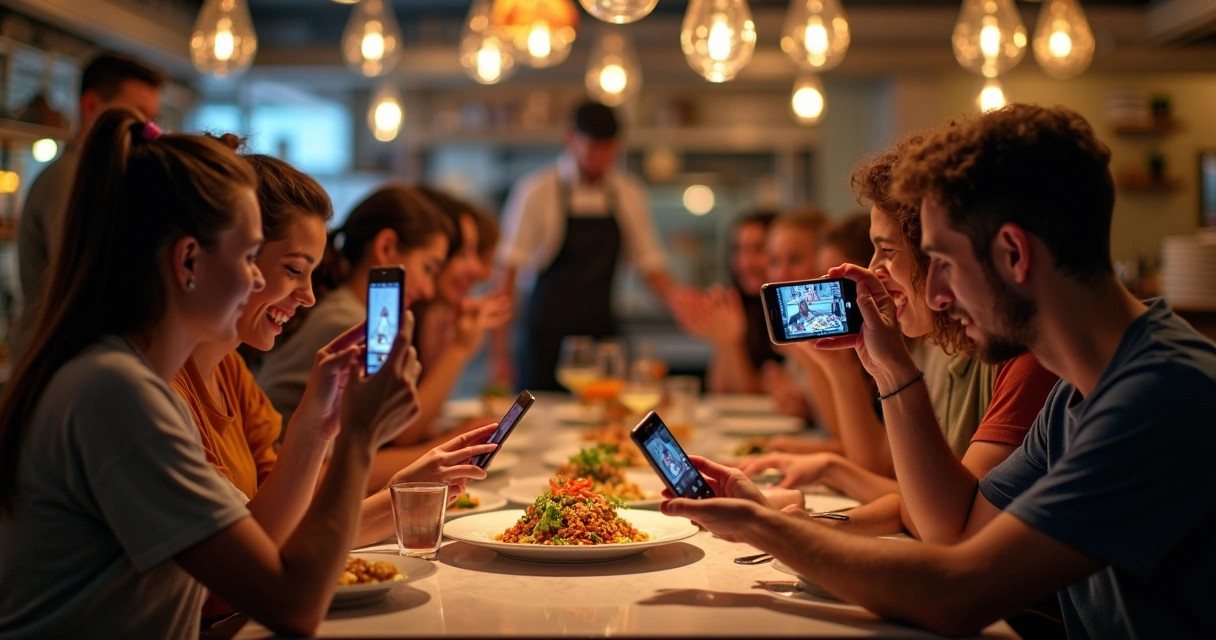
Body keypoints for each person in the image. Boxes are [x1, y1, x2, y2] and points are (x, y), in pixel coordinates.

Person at [664, 105, 1216, 638]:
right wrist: (887, 367)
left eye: (945, 263)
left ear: (1014, 254)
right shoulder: (1075, 393)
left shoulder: (1162, 397)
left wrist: (761, 525)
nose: (938, 295)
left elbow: (958, 592)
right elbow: (953, 529)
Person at [0, 108, 421, 638]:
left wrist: (322, 423)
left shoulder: (125, 381)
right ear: (188, 262)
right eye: (249, 256)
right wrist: (359, 436)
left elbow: (259, 550)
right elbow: (291, 604)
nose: (254, 278)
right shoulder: (113, 392)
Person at [167, 145, 496, 621]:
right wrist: (352, 441)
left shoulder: (231, 373)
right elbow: (263, 591)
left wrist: (403, 489)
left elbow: (285, 528)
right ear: (191, 258)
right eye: (291, 270)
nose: (308, 297)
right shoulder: (139, 393)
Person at [494, 101, 675, 391]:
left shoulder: (628, 192)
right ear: (570, 140)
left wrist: (682, 302)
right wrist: (500, 357)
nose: (599, 161)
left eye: (608, 153)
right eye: (592, 151)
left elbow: (650, 265)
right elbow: (507, 276)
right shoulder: (536, 191)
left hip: (603, 337)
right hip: (546, 342)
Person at [257, 184, 452, 431]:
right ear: (386, 247)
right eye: (428, 269)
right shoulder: (351, 324)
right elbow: (389, 439)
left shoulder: (343, 309)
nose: (428, 290)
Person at [14, 53, 163, 358]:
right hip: (53, 363)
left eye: (152, 117)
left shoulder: (99, 177)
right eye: (136, 113)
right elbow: (89, 283)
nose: (148, 128)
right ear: (92, 106)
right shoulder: (72, 178)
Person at [669, 210, 779, 394]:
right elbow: (720, 391)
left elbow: (752, 395)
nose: (746, 263)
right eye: (739, 250)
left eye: (759, 249)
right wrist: (724, 341)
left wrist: (731, 343)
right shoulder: (739, 304)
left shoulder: (787, 309)